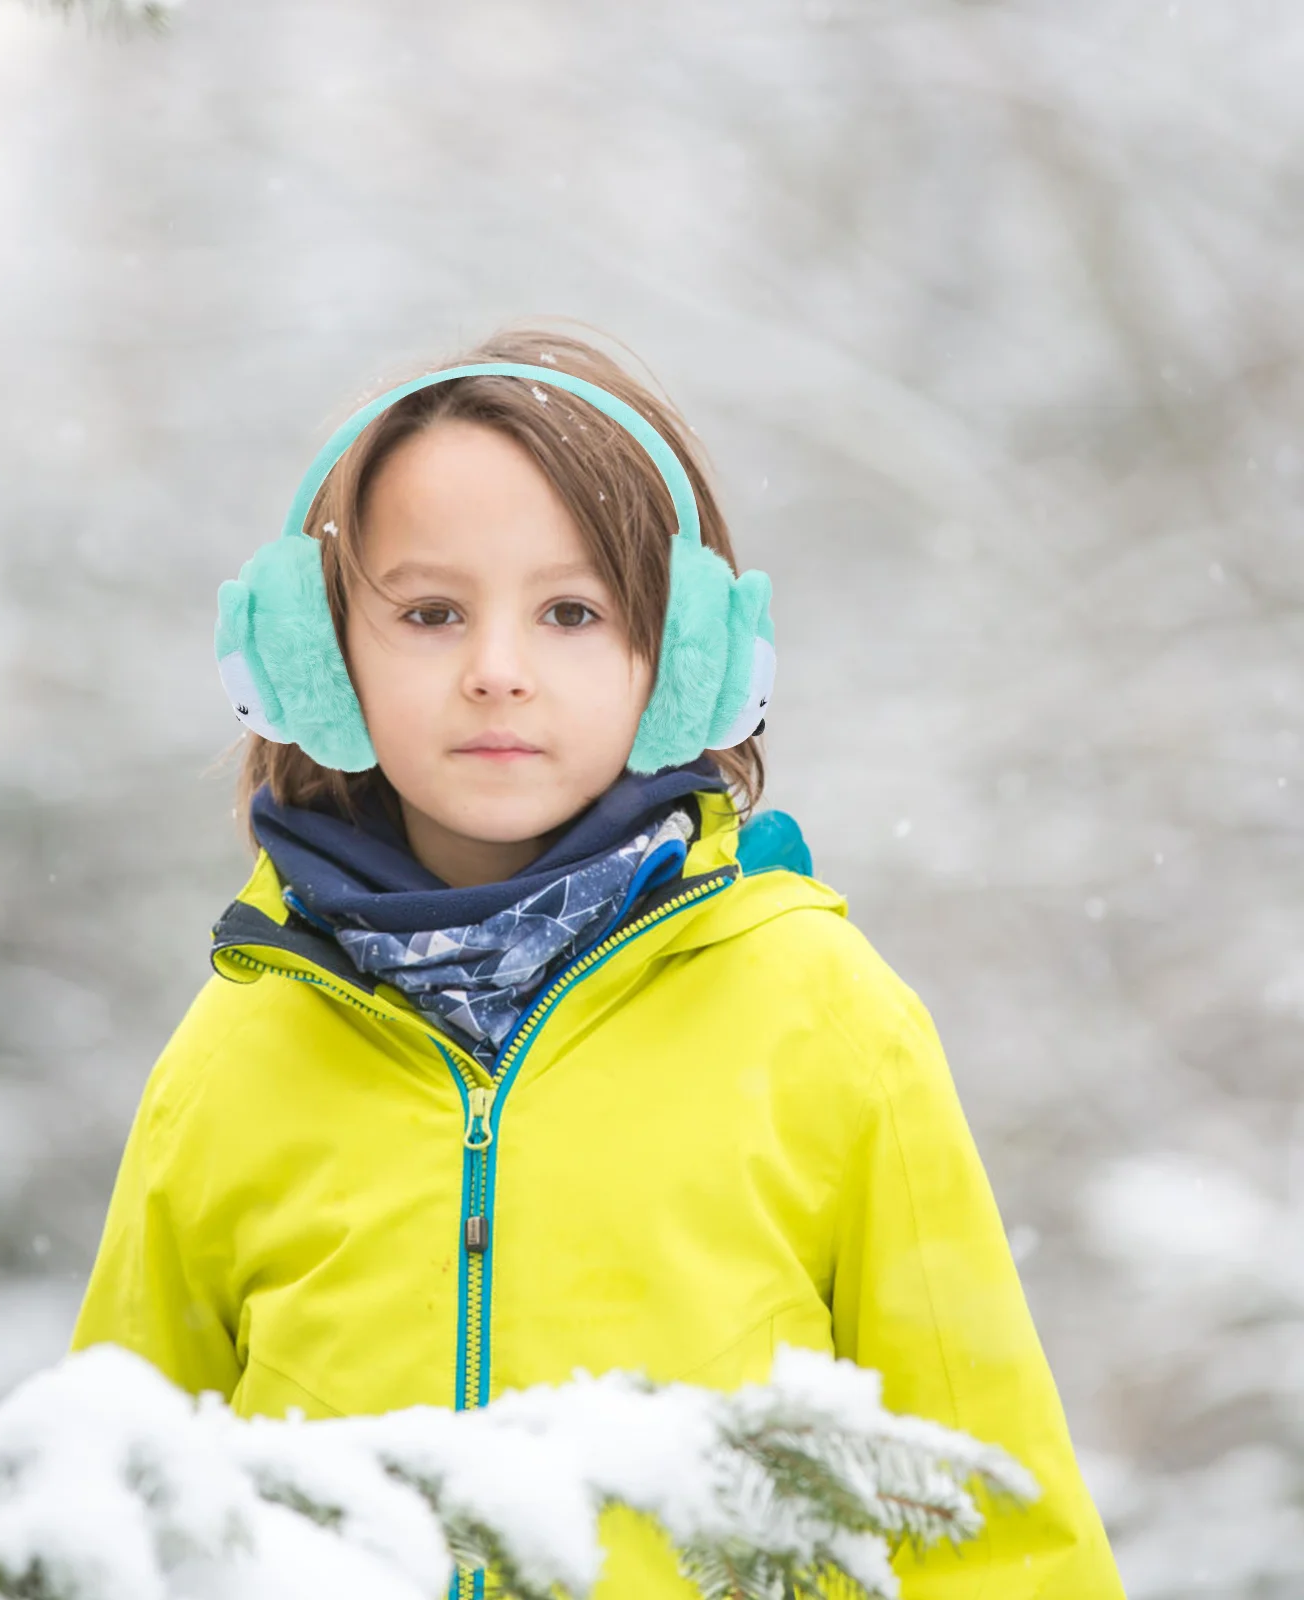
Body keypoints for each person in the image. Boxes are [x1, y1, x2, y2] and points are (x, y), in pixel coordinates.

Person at [71, 326, 1125, 1598]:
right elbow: (108, 1512)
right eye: (429, 611)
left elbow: (992, 1517)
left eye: (572, 611)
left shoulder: (822, 1015)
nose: (497, 672)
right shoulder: (239, 1047)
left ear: (687, 660)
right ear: (312, 656)